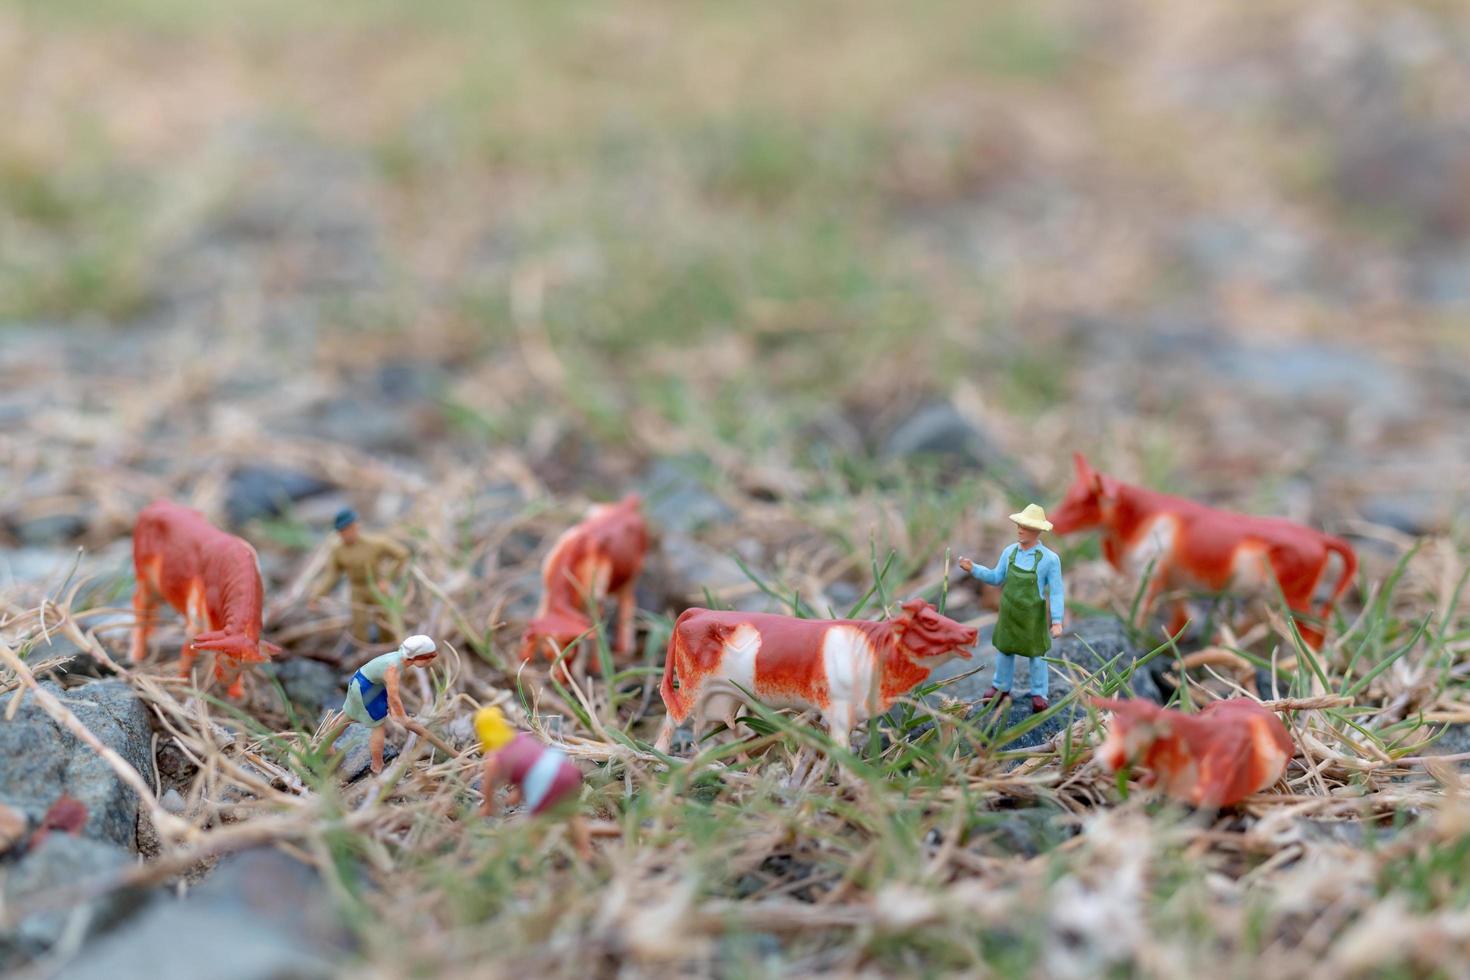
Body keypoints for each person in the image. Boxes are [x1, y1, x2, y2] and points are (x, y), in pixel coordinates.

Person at [957, 503, 1066, 713]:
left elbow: (1057, 591)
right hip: (1009, 614)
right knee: (1004, 652)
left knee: (1037, 655)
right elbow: (996, 577)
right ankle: (1000, 688)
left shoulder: (1050, 560)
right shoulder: (1009, 553)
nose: (1020, 529)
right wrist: (974, 569)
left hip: (1032, 617)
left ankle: (1039, 693)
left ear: (1037, 530)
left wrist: (1057, 621)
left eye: (1025, 526)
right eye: (1019, 525)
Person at [322, 634, 455, 774]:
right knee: (378, 726)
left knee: (348, 716)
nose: (430, 660)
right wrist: (402, 716)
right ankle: (377, 765)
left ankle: (326, 745)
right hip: (365, 688)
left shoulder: (397, 659)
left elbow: (391, 695)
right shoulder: (393, 668)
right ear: (417, 657)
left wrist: (394, 710)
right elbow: (394, 696)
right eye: (428, 657)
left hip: (360, 680)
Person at [475, 706, 590, 858]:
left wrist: (488, 806)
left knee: (535, 823)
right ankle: (585, 850)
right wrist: (518, 793)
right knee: (572, 813)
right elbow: (527, 768)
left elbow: (488, 786)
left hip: (547, 779)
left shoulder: (495, 758)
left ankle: (530, 859)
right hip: (563, 767)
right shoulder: (520, 737)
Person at [311, 508, 410, 644]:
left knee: (385, 620)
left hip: (376, 587)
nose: (346, 534)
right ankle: (363, 653)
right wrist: (317, 595)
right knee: (359, 624)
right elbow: (332, 575)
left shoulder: (375, 543)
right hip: (357, 589)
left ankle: (388, 648)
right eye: (342, 531)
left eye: (348, 529)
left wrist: (388, 578)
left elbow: (402, 554)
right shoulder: (338, 550)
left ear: (356, 526)